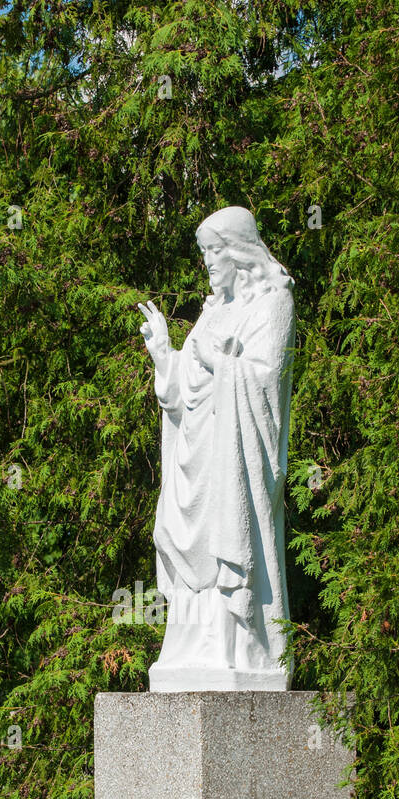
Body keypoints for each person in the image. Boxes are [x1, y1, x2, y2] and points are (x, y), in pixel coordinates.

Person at [138, 205, 296, 690]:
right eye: (203, 253)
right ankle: (192, 650)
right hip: (198, 458)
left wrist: (216, 362)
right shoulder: (212, 311)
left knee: (230, 540)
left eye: (213, 251)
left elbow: (266, 380)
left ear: (238, 252)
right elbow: (184, 392)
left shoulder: (272, 303)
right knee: (178, 538)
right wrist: (167, 355)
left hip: (235, 463)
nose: (207, 262)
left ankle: (238, 649)